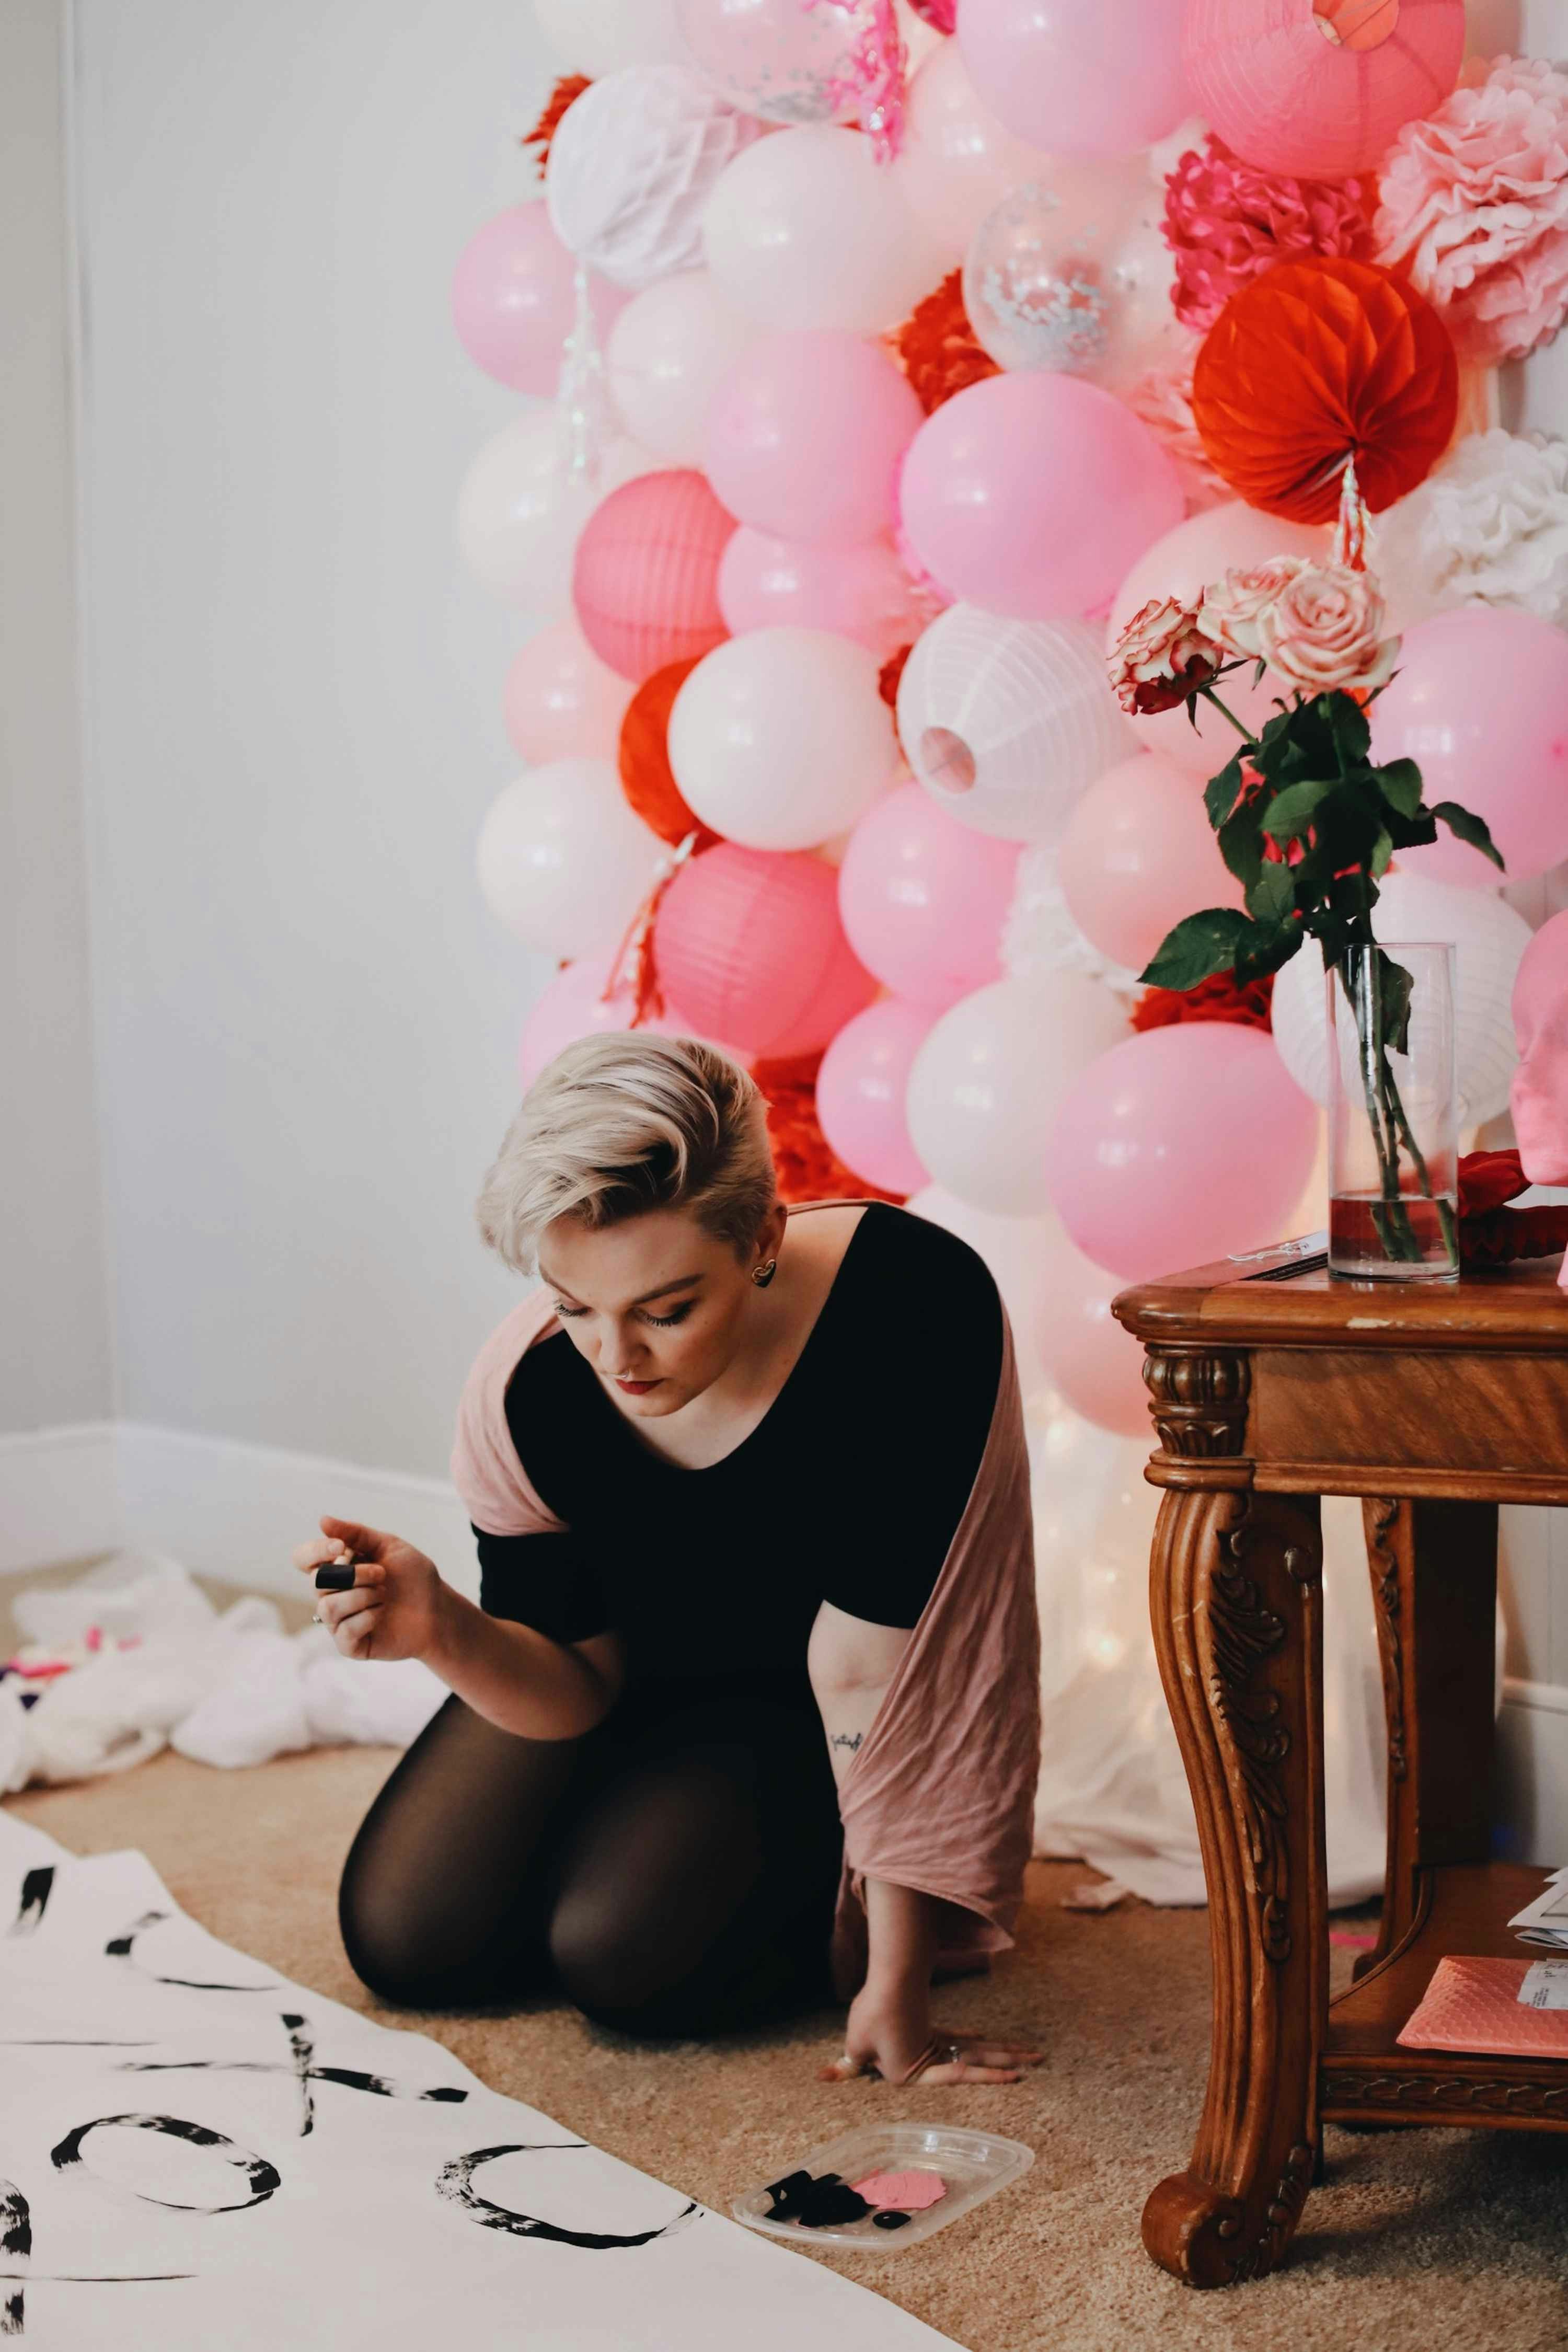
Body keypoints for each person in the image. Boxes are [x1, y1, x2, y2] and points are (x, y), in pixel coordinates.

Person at [296, 1033, 1042, 2087]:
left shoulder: (912, 1306)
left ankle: (704, 1858)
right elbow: (574, 1679)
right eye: (573, 1306)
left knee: (626, 1963)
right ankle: (638, 1825)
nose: (617, 1359)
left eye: (667, 1309)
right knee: (406, 1939)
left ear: (763, 1238)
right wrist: (441, 1626)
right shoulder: (529, 1392)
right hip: (620, 1686)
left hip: (810, 1715)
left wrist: (897, 1980)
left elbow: (873, 1678)